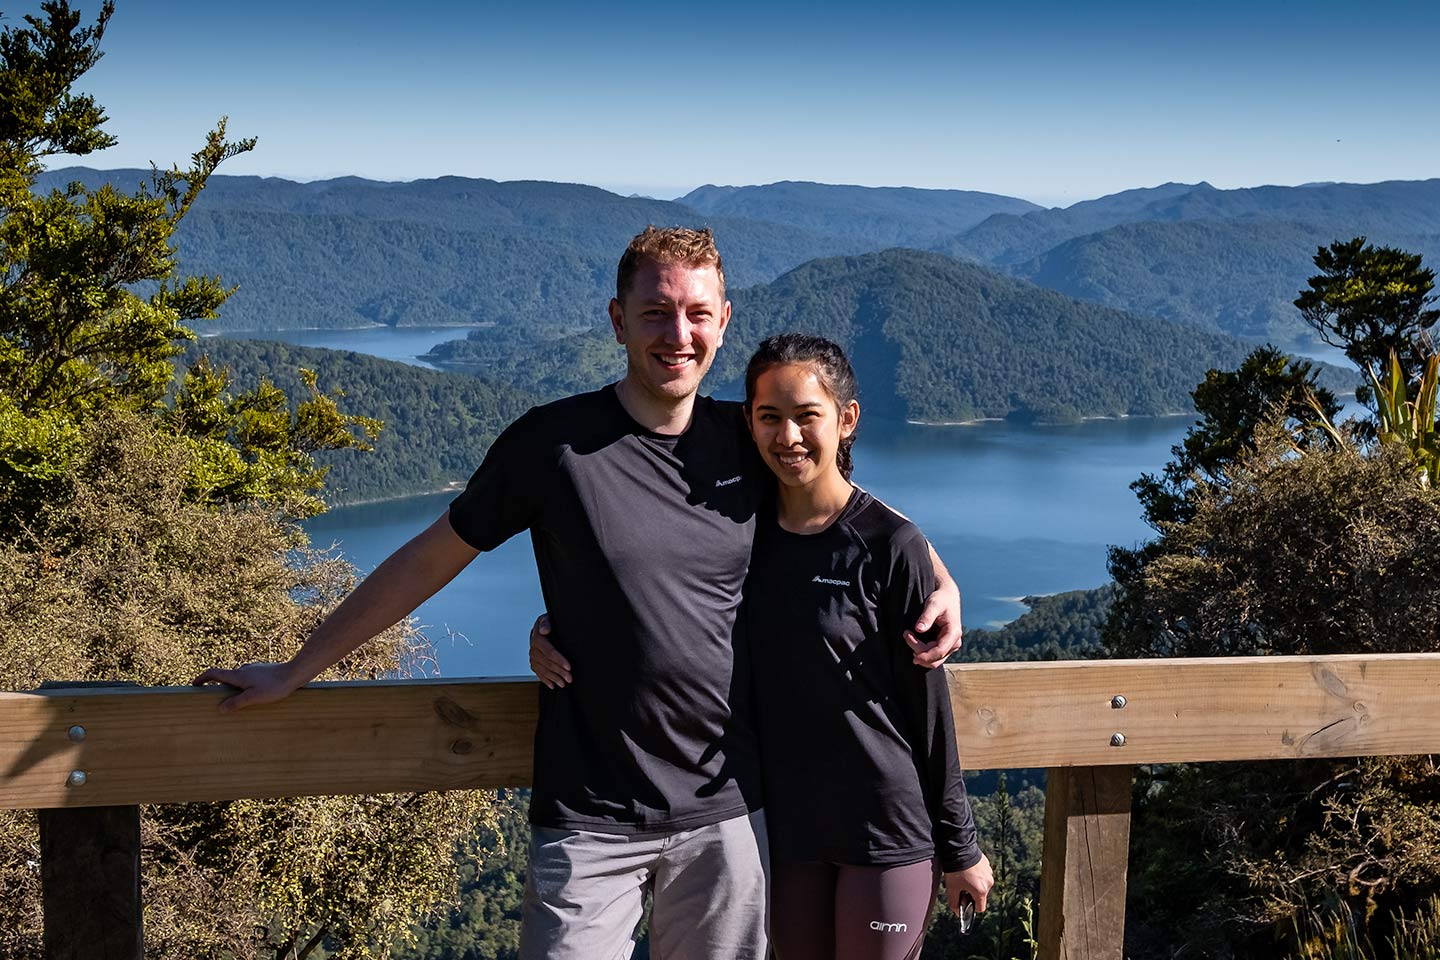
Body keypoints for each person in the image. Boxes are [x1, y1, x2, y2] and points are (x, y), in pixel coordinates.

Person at [195, 227, 965, 960]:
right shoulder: (553, 446)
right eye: (656, 312)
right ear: (617, 321)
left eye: (698, 313)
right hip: (590, 816)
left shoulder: (750, 438)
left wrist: (934, 570)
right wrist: (298, 668)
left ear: (723, 323)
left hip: (728, 814)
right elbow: (426, 561)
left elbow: (841, 508)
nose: (677, 333)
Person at [745, 334, 991, 959]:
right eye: (769, 417)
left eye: (808, 416)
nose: (788, 436)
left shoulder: (890, 545)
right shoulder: (737, 533)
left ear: (847, 419)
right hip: (788, 833)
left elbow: (926, 706)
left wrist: (960, 846)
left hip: (886, 834)